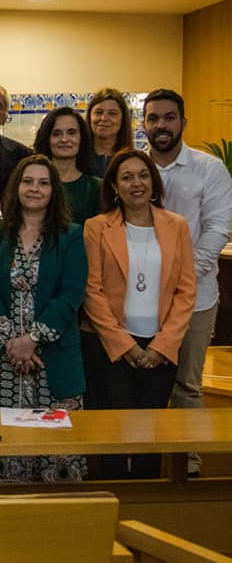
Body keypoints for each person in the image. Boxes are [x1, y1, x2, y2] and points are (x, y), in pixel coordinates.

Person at [0, 155, 87, 483]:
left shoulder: (71, 235)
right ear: (16, 186)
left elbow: (71, 294)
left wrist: (31, 339)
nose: (35, 188)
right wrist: (11, 342)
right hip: (3, 363)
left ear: (54, 191)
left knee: (55, 451)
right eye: (28, 181)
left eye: (44, 183)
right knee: (4, 445)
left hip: (53, 359)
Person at [82, 149, 195, 479]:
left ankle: (146, 502)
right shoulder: (96, 227)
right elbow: (92, 291)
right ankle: (113, 500)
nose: (137, 183)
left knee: (151, 432)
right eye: (127, 177)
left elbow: (186, 292)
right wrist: (124, 344)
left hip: (160, 348)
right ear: (115, 186)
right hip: (110, 348)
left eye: (143, 176)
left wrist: (162, 346)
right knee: (112, 432)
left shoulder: (177, 226)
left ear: (154, 182)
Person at [145, 88, 232, 476]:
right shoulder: (132, 167)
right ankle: (145, 463)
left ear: (182, 122)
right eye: (153, 118)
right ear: (144, 124)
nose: (161, 125)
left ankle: (190, 467)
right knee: (144, 389)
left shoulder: (209, 168)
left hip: (196, 298)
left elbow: (218, 228)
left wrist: (182, 280)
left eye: (168, 118)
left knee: (188, 387)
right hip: (141, 303)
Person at [33, 106, 102, 223]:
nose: (64, 139)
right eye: (56, 134)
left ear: (82, 138)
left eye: (72, 133)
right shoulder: (32, 184)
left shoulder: (97, 188)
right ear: (47, 139)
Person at [87, 88, 134, 177]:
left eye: (112, 113)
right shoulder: (77, 159)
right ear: (89, 117)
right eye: (98, 112)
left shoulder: (132, 160)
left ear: (123, 119)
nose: (104, 118)